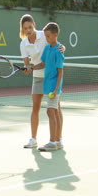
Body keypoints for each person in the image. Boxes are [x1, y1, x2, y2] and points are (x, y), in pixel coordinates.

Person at [19, 15, 64, 149]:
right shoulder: (23, 44)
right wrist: (28, 69)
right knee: (35, 108)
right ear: (22, 29)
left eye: (30, 27)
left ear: (34, 24)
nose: (28, 30)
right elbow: (28, 64)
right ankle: (33, 139)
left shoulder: (44, 35)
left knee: (55, 110)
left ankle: (58, 139)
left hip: (51, 78)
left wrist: (63, 47)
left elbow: (56, 44)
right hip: (38, 77)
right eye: (25, 28)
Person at [31, 22, 64, 151]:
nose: (46, 38)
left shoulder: (59, 51)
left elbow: (61, 72)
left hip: (54, 87)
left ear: (55, 35)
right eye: (45, 36)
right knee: (53, 112)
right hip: (47, 85)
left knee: (50, 112)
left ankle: (53, 142)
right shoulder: (47, 48)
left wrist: (56, 90)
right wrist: (31, 68)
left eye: (49, 36)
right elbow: (42, 64)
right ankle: (57, 142)